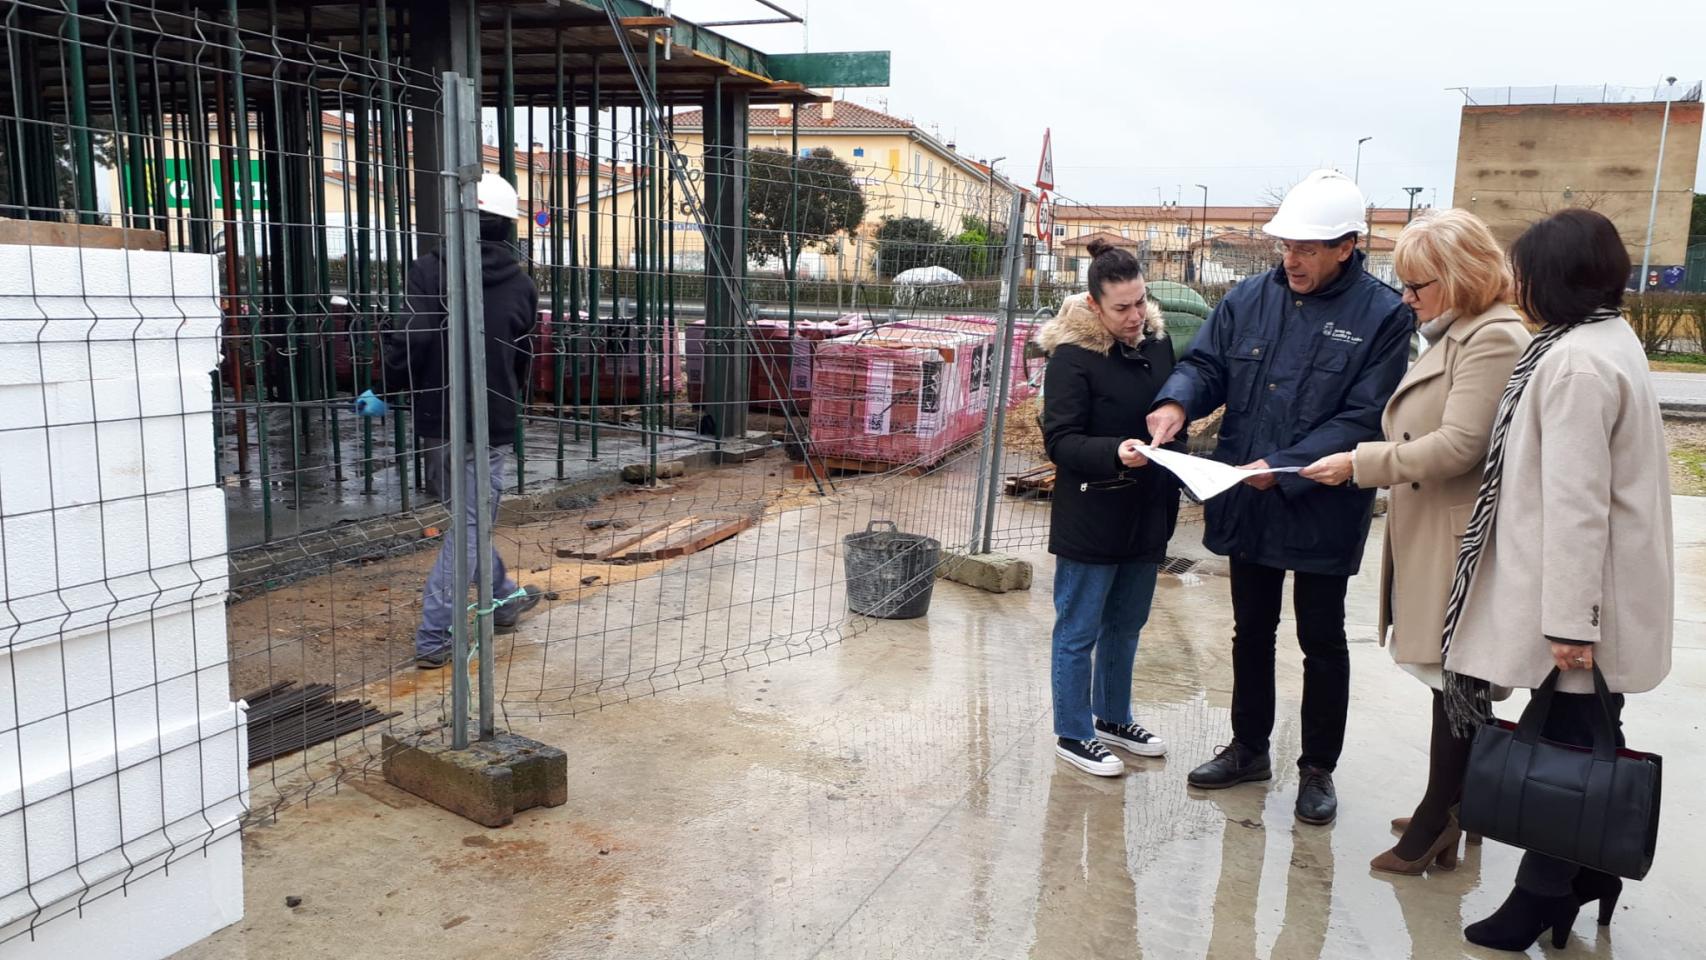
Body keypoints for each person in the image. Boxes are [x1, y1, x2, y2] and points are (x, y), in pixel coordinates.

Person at [1146, 169, 1412, 824]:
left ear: (1347, 246)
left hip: (1321, 500)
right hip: (1248, 495)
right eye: (1286, 245)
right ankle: (1247, 747)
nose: (1292, 259)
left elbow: (1364, 415)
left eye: (1309, 248)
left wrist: (1288, 467)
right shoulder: (1250, 298)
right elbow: (1208, 364)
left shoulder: (1383, 316)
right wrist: (1177, 401)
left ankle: (1318, 768)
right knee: (1251, 630)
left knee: (1322, 638)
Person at [1439, 209, 1673, 951]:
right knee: (1592, 729)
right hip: (1615, 585)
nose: (1518, 284)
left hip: (1584, 594)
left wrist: (1572, 622)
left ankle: (1541, 894)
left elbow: (1576, 502)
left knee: (1566, 746)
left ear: (1553, 280)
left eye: (1525, 272)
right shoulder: (1610, 339)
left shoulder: (1572, 363)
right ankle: (1589, 869)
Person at [1298, 209, 1530, 872]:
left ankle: (1439, 818)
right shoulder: (1458, 331)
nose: (1406, 297)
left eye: (1417, 284)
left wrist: (1359, 464)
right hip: (1438, 528)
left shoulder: (1491, 337)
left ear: (1459, 277)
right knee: (1449, 679)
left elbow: (1460, 444)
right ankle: (1455, 803)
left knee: (1458, 681)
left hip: (1460, 540)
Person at [386, 173, 543, 668]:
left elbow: (410, 341)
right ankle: (436, 634)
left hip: (438, 417)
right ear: (507, 228)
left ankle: (505, 599)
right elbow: (523, 357)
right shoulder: (521, 285)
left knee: (469, 522)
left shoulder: (430, 271)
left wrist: (391, 391)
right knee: (471, 525)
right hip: (491, 420)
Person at [1039, 238, 1181, 777]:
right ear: (1094, 306)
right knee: (1079, 629)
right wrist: (1115, 454)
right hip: (1093, 512)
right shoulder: (1073, 358)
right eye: (1121, 307)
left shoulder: (1159, 345)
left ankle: (1113, 717)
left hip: (1148, 511)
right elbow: (1061, 441)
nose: (1135, 316)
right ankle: (1073, 731)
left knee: (1127, 623)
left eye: (1141, 301)